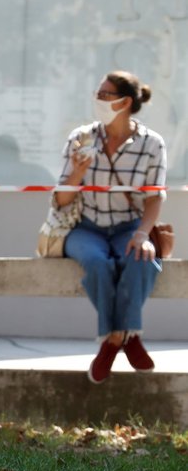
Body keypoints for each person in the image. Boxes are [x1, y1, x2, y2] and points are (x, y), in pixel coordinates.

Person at [56, 71, 165, 384]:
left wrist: (143, 234)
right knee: (97, 263)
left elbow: (154, 198)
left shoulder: (152, 143)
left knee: (143, 258)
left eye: (105, 94)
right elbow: (62, 200)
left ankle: (112, 341)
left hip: (129, 225)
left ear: (125, 101)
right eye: (98, 92)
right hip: (85, 226)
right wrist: (76, 173)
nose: (98, 99)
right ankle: (126, 337)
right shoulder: (82, 137)